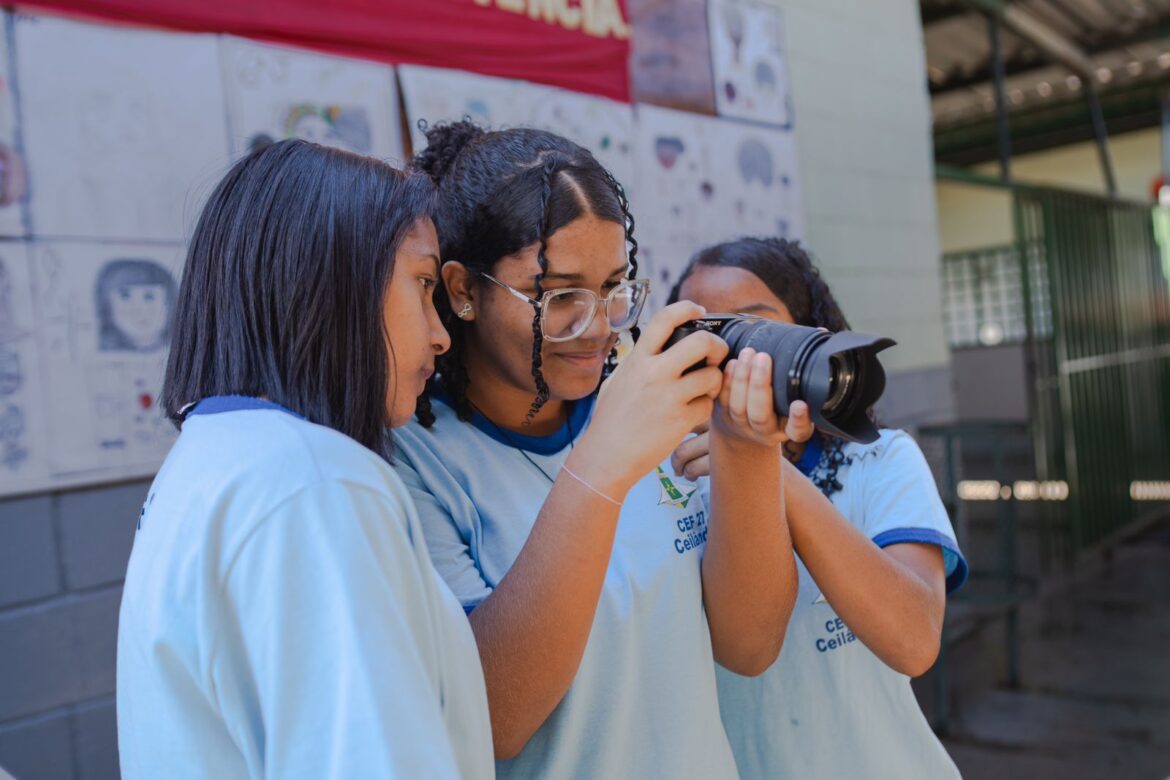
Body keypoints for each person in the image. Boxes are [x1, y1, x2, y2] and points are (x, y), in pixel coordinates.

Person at [395, 121, 803, 779]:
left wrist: (748, 449)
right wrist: (601, 468)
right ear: (464, 290)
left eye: (615, 288)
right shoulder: (413, 461)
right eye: (558, 296)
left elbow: (750, 646)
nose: (597, 327)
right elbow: (495, 717)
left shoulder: (652, 403)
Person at [116, 139, 493, 779]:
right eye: (424, 285)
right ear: (335, 281)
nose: (440, 335)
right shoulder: (318, 482)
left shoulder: (215, 459)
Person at [669, 236, 969, 780]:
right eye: (707, 332)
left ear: (807, 337)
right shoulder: (665, 477)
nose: (733, 360)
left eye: (752, 329)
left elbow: (914, 640)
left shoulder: (880, 459)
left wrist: (756, 463)